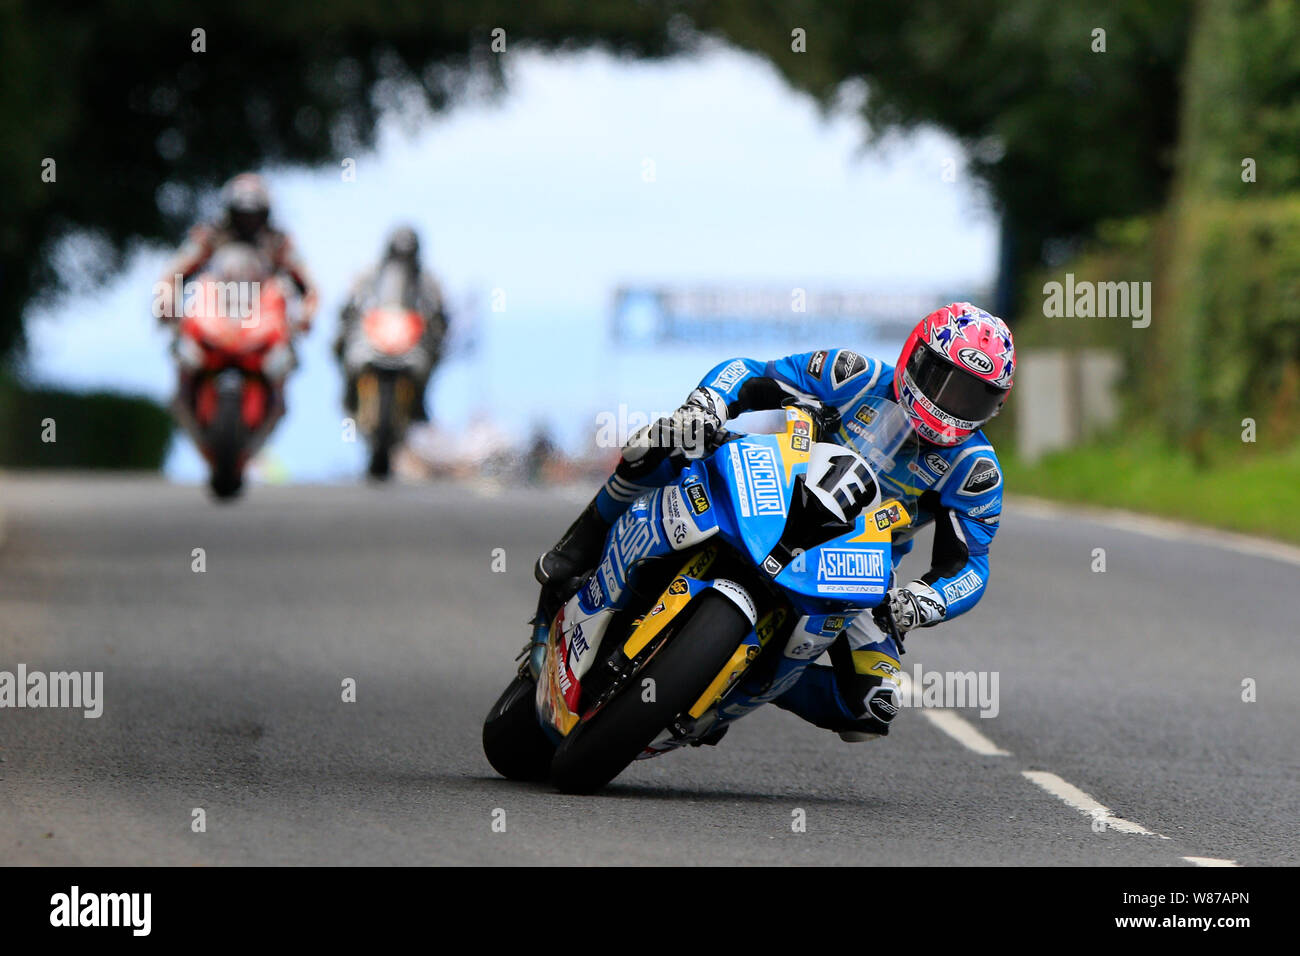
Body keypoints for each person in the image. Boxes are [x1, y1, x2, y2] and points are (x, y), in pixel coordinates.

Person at [533, 302, 1014, 742]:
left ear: (994, 406)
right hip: (768, 490)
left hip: (856, 562)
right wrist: (707, 406)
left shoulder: (976, 471)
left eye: (971, 397)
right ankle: (578, 544)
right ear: (916, 356)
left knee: (873, 707)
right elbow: (749, 373)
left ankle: (729, 681)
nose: (950, 404)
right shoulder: (854, 374)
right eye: (943, 380)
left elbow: (970, 565)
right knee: (664, 440)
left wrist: (923, 601)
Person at [156, 172, 319, 328]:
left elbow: (309, 287)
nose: (248, 221)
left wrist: (305, 315)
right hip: (213, 321)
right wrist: (167, 304)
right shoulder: (212, 237)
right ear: (231, 213)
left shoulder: (277, 242)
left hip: (265, 323)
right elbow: (173, 274)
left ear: (264, 214)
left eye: (254, 214)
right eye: (242, 214)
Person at [334, 226, 449, 421]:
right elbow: (352, 301)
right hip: (375, 334)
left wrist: (436, 323)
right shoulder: (370, 274)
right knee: (341, 347)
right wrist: (349, 315)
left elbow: (438, 310)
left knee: (433, 355)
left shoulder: (426, 280)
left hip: (409, 339)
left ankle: (419, 400)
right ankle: (350, 393)